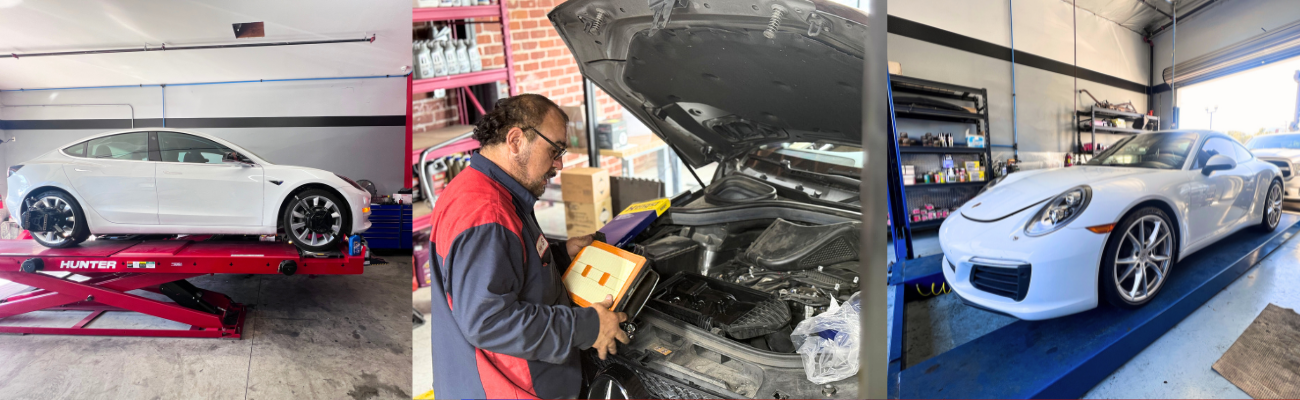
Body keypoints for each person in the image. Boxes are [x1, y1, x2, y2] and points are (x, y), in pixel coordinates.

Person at [426, 93, 629, 399]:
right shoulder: (488, 213)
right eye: (555, 150)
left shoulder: (474, 186)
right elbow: (489, 321)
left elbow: (506, 267)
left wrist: (559, 254)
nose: (559, 164)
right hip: (506, 388)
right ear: (516, 140)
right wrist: (588, 327)